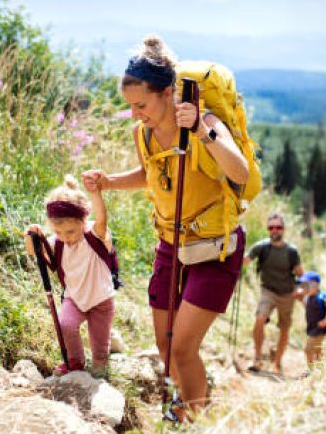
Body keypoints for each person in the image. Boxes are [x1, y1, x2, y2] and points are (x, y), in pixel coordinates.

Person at [82, 35, 249, 420]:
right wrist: (108, 181)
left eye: (141, 104)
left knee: (183, 348)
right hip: (170, 244)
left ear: (168, 92)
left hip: (214, 247)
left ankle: (194, 418)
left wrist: (205, 134)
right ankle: (187, 406)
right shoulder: (143, 133)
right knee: (164, 343)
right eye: (130, 106)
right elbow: (149, 173)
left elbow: (238, 171)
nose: (135, 113)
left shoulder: (204, 122)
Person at [24, 176, 116, 377]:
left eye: (71, 231)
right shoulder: (57, 242)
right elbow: (34, 251)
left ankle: (101, 370)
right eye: (58, 231)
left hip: (101, 300)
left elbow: (102, 218)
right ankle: (76, 362)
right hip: (74, 297)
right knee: (66, 324)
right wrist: (30, 236)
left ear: (84, 220)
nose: (66, 237)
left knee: (100, 349)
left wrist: (95, 194)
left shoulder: (94, 235)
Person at [243, 212, 303, 374]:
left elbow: (300, 274)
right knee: (259, 319)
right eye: (271, 227)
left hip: (287, 294)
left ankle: (277, 363)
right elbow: (245, 260)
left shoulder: (291, 251)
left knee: (284, 328)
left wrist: (300, 288)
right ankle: (257, 358)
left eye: (278, 227)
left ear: (283, 229)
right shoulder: (261, 247)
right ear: (268, 229)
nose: (275, 230)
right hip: (267, 290)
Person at [293, 271, 326, 365]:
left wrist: (325, 320)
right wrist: (299, 297)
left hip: (321, 327)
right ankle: (320, 365)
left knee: (308, 349)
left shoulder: (320, 296)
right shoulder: (309, 297)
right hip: (315, 327)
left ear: (316, 286)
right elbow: (307, 306)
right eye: (303, 286)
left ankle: (311, 368)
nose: (305, 288)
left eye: (307, 286)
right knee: (317, 348)